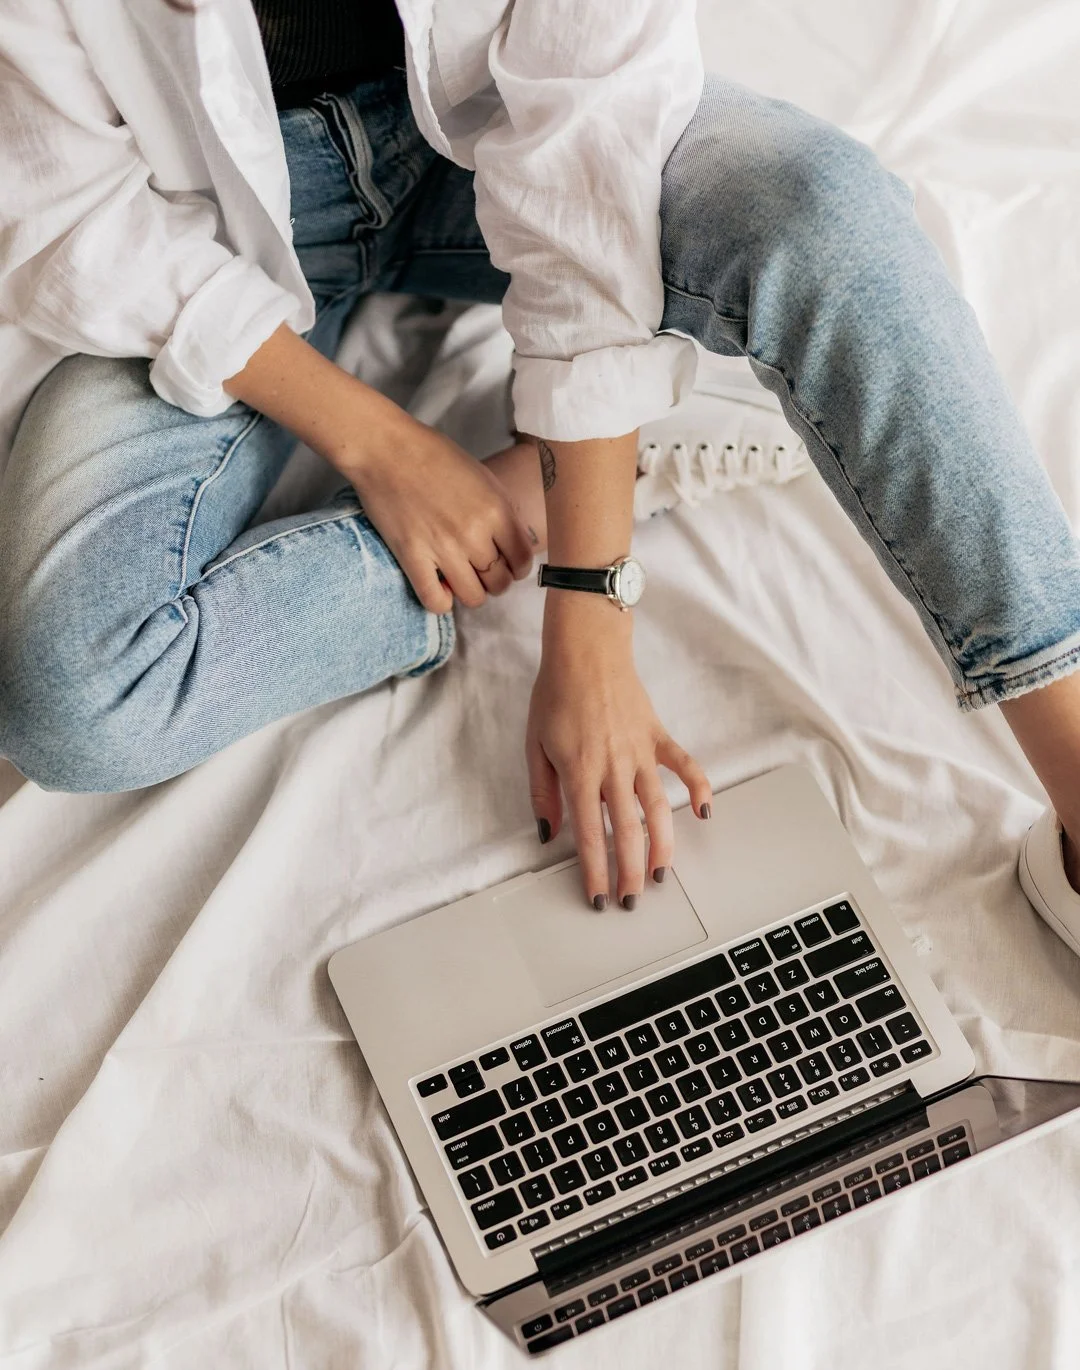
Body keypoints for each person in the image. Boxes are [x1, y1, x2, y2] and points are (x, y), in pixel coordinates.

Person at [1, 0, 1079, 953]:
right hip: (193, 224)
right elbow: (67, 210)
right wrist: (383, 445)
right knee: (76, 699)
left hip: (482, 136)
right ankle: (584, 472)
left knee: (830, 219)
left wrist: (590, 611)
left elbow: (585, 167)